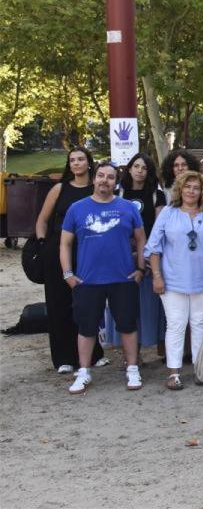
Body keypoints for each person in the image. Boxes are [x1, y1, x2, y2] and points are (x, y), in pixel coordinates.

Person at [61, 162, 146, 394]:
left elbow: (141, 239)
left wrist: (140, 269)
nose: (104, 181)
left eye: (110, 177)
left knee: (128, 325)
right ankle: (84, 372)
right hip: (88, 280)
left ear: (116, 182)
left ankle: (132, 369)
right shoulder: (76, 208)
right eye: (100, 176)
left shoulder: (128, 208)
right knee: (87, 327)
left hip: (123, 279)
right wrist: (68, 274)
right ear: (94, 178)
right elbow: (65, 243)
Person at [145, 171, 203, 389]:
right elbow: (153, 247)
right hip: (172, 280)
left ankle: (200, 368)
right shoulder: (168, 213)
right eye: (187, 186)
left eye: (196, 187)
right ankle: (174, 372)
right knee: (176, 325)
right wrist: (157, 276)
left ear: (202, 192)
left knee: (199, 325)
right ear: (180, 189)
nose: (191, 191)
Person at [34, 147, 106, 374]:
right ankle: (64, 358)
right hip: (58, 252)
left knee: (88, 304)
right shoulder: (59, 188)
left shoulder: (97, 189)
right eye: (72, 160)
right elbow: (42, 220)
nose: (76, 163)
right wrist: (44, 244)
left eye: (81, 159)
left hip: (88, 252)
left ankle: (94, 355)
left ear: (89, 162)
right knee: (58, 304)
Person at [107, 152, 166, 359]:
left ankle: (158, 347)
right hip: (121, 257)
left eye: (145, 168)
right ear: (129, 168)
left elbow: (158, 228)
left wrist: (143, 253)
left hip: (148, 256)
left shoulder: (157, 195)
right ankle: (131, 355)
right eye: (137, 166)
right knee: (124, 304)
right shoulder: (117, 193)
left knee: (148, 305)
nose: (140, 171)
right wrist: (128, 252)